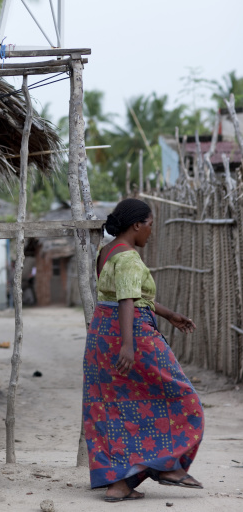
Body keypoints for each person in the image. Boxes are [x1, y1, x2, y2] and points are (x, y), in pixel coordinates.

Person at [82, 198, 204, 502]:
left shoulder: (106, 253)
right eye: (150, 225)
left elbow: (127, 295)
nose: (151, 232)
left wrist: (168, 314)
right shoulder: (129, 258)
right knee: (183, 397)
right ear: (137, 225)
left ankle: (119, 484)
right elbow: (126, 301)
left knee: (113, 407)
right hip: (132, 334)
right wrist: (128, 345)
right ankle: (168, 466)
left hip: (100, 336)